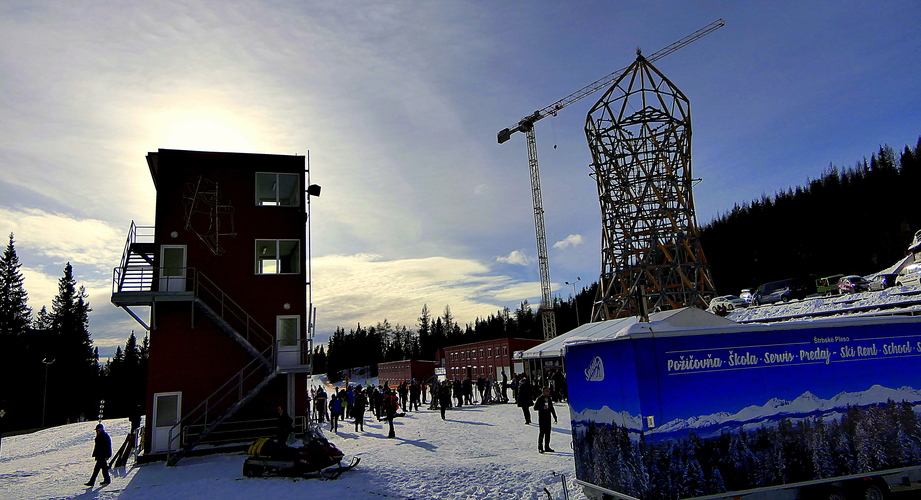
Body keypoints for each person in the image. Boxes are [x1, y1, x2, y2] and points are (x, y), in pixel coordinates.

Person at [534, 387, 558, 453]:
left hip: (548, 418)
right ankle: (540, 447)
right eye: (547, 391)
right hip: (542, 418)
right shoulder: (540, 399)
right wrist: (542, 407)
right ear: (543, 392)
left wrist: (555, 417)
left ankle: (547, 447)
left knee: (548, 433)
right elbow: (535, 408)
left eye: (549, 391)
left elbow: (552, 408)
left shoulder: (549, 399)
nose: (548, 392)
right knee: (542, 433)